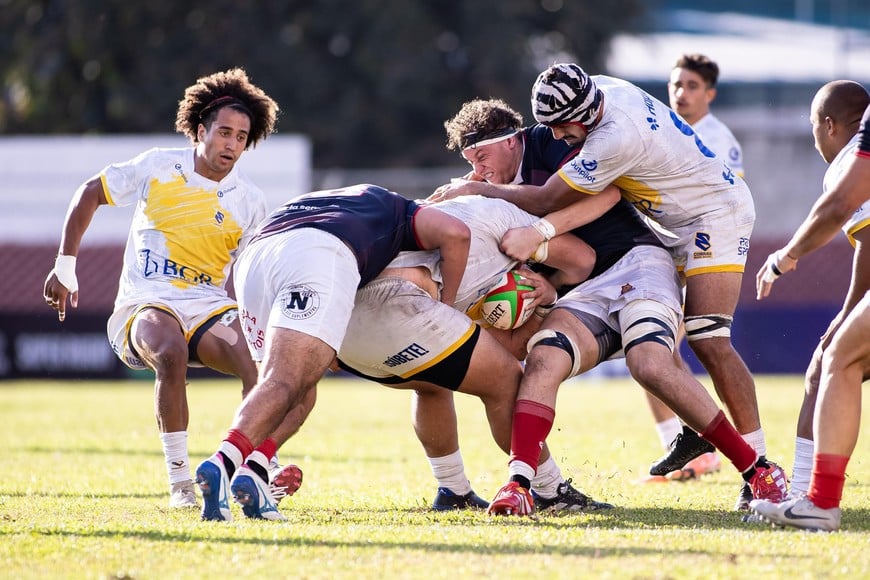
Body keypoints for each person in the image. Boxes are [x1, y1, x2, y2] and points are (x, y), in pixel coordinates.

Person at [431, 63, 783, 510]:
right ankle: (520, 484)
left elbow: (577, 200)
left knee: (691, 345)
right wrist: (548, 284)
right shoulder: (591, 101)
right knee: (541, 358)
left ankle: (759, 469)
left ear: (510, 140)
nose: (558, 136)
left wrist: (509, 217)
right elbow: (575, 251)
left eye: (562, 127)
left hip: (689, 230)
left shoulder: (604, 138)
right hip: (607, 273)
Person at [42, 68, 297, 509]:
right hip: (147, 302)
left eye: (241, 137)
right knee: (170, 352)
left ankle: (252, 469)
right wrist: (65, 265)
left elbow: (258, 270)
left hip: (209, 308)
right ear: (201, 130)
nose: (231, 144)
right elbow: (89, 193)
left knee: (260, 364)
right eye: (223, 133)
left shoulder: (250, 201)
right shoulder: (159, 166)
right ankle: (181, 485)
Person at [194, 183, 472, 521]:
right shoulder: (400, 210)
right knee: (285, 381)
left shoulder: (332, 202)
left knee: (295, 387)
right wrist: (450, 307)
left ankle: (255, 469)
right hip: (317, 253)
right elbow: (456, 233)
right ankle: (221, 464)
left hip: (255, 258)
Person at [337, 194, 611, 513]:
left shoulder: (456, 221)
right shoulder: (503, 217)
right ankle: (551, 491)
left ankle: (452, 490)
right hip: (396, 303)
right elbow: (582, 259)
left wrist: (546, 298)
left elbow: (508, 346)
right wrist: (546, 259)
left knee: (432, 382)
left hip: (346, 332)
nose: (479, 167)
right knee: (508, 380)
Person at [750, 91, 870, 532]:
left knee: (834, 360)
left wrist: (786, 256)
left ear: (829, 126)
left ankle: (810, 497)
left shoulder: (850, 157)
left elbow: (862, 232)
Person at [642, 53, 746, 483]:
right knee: (651, 351)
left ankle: (693, 452)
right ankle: (685, 450)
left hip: (698, 258)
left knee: (658, 352)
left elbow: (731, 200)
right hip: (661, 254)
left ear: (710, 93)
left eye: (690, 86)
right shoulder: (664, 130)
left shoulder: (719, 140)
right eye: (675, 85)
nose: (680, 93)